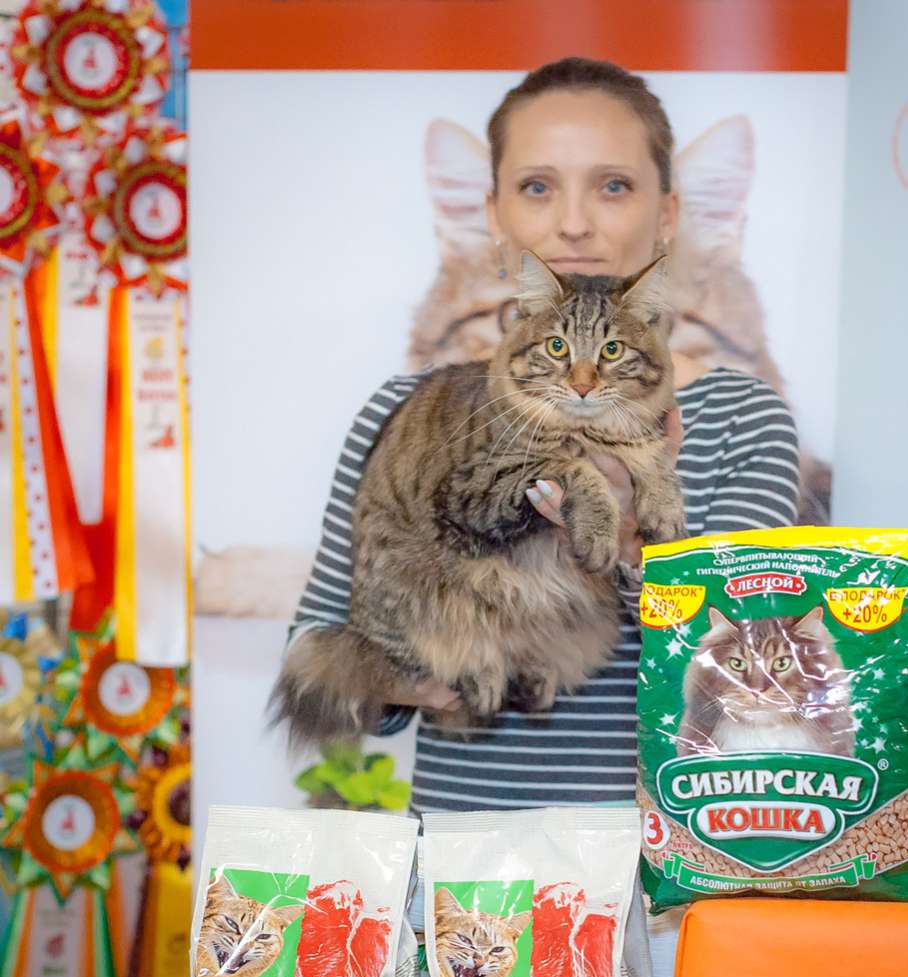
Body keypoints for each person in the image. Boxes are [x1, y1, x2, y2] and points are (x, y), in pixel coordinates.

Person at [292, 57, 803, 813]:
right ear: (495, 216)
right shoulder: (406, 408)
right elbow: (319, 650)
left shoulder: (744, 415)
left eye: (613, 185)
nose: (573, 222)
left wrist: (627, 532)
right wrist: (420, 674)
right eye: (536, 187)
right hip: (465, 863)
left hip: (659, 862)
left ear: (668, 214)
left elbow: (746, 667)